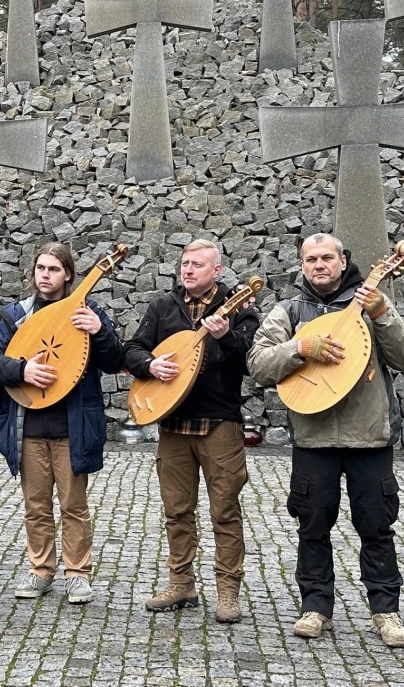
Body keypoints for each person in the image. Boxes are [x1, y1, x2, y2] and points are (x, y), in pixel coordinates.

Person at [247, 233, 404, 648]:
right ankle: (316, 607)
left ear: (343, 261)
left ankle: (386, 612)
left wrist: (383, 315)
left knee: (376, 527)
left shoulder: (373, 302)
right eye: (310, 259)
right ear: (302, 265)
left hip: (369, 439)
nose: (319, 265)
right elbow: (257, 364)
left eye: (327, 258)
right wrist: (300, 347)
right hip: (313, 437)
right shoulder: (288, 311)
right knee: (313, 525)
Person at [0, 242, 124, 605]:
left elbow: (114, 360)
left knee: (73, 504)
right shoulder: (16, 316)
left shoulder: (88, 312)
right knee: (36, 505)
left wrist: (99, 332)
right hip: (28, 425)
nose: (46, 275)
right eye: (41, 269)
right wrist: (23, 369)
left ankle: (77, 574)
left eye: (53, 270)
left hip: (71, 426)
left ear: (68, 275)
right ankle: (41, 569)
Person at [123, 239, 259, 623]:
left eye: (197, 264)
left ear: (217, 270)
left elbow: (252, 361)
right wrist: (150, 366)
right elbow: (131, 349)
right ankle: (181, 584)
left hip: (220, 422)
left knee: (225, 510)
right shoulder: (164, 306)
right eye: (184, 263)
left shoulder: (240, 307)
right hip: (173, 423)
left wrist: (224, 336)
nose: (187, 270)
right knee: (177, 510)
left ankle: (228, 592)